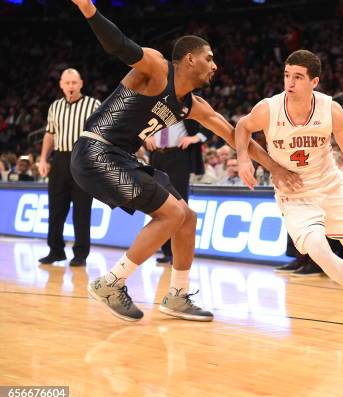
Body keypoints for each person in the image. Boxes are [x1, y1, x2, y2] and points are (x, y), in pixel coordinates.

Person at [69, 0, 299, 322]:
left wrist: (275, 167)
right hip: (95, 151)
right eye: (210, 58)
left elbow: (235, 136)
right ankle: (111, 282)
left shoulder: (193, 105)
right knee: (172, 213)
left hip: (120, 158)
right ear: (190, 59)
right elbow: (118, 44)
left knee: (186, 217)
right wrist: (88, 7)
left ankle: (177, 296)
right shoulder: (156, 68)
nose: (215, 65)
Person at [235, 49, 343, 332]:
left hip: (329, 185)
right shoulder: (269, 108)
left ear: (314, 81)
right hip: (294, 193)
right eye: (287, 75)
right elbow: (242, 126)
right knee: (317, 249)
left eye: (298, 77)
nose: (290, 83)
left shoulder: (330, 109)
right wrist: (242, 158)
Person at [38, 68, 100, 267]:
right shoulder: (55, 106)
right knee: (56, 207)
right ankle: (55, 250)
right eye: (67, 83)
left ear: (81, 83)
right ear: (61, 85)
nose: (71, 86)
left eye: (74, 82)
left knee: (82, 210)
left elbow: (102, 133)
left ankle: (80, 254)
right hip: (60, 160)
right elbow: (50, 134)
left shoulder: (93, 104)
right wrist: (42, 159)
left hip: (83, 160)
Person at [146, 120, 205, 264]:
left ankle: (179, 253)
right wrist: (145, 137)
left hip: (179, 156)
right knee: (160, 206)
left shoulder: (188, 104)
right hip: (157, 156)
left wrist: (195, 137)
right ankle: (167, 252)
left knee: (180, 205)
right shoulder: (152, 104)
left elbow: (209, 126)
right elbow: (135, 127)